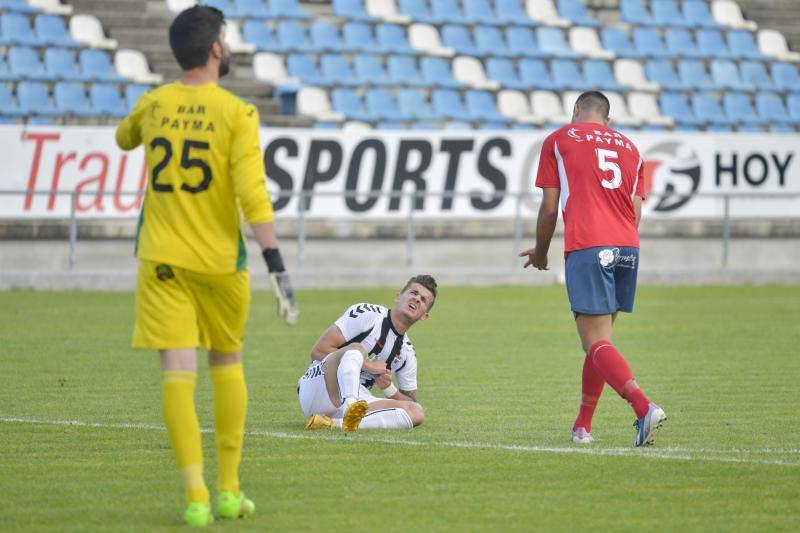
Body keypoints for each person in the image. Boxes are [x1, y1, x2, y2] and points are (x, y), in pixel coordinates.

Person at [115, 6, 299, 527]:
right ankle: (228, 490)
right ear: (216, 48)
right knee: (226, 364)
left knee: (176, 370)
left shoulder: (153, 104)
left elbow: (123, 139)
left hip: (161, 262)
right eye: (225, 36)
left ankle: (195, 496)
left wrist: (149, 122)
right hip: (222, 263)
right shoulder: (236, 113)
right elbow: (252, 194)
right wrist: (276, 264)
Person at [519, 91, 666, 447]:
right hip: (628, 247)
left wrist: (541, 253)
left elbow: (550, 208)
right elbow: (636, 211)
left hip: (589, 245)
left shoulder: (559, 140)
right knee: (601, 343)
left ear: (576, 111)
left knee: (595, 343)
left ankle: (644, 407)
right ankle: (582, 426)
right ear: (608, 120)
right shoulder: (630, 148)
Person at [298, 276, 436, 432]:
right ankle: (351, 406)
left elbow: (410, 400)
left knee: (416, 412)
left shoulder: (407, 353)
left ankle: (333, 423)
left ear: (424, 316)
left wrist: (389, 388)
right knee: (356, 348)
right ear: (398, 297)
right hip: (320, 387)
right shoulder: (367, 314)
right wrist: (369, 366)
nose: (417, 299)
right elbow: (318, 350)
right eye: (413, 292)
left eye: (423, 300)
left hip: (359, 396)